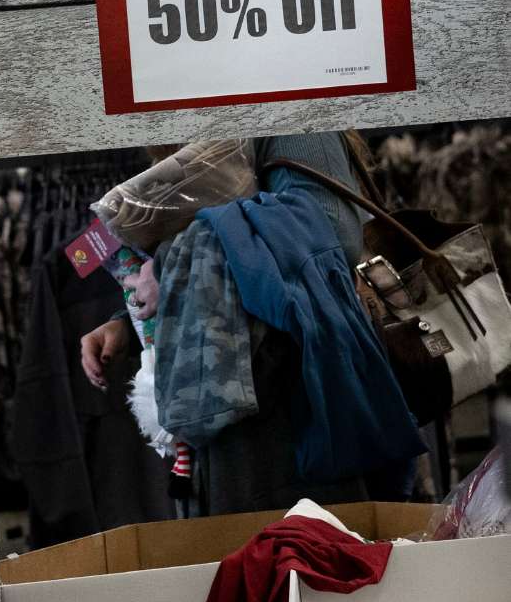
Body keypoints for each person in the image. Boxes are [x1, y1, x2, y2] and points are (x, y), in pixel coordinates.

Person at [80, 132, 418, 517]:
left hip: (288, 413)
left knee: (294, 558)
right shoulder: (203, 120)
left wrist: (169, 267)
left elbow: (330, 233)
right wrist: (131, 320)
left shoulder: (289, 106)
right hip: (237, 408)